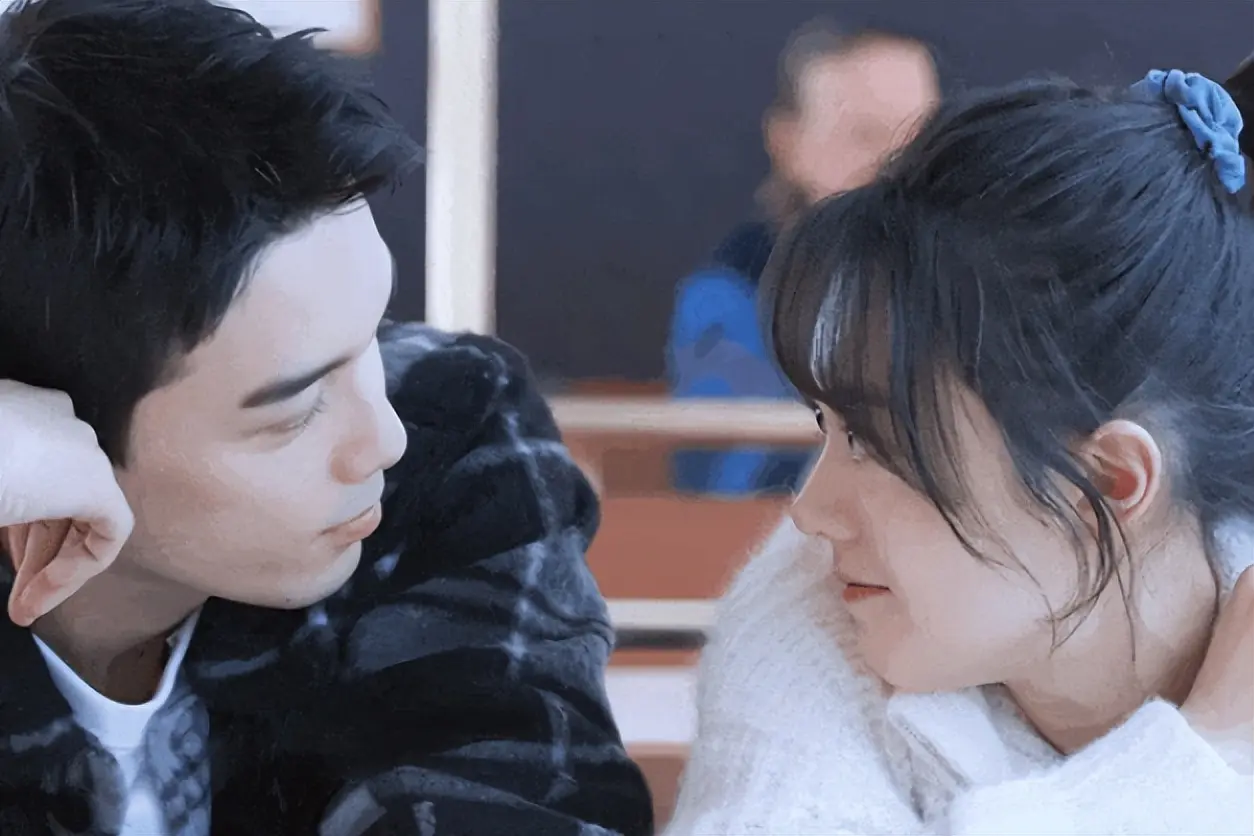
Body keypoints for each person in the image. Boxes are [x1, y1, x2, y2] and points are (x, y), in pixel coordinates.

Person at [0, 1, 653, 834]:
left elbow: (510, 797)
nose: (382, 439)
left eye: (369, 336)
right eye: (296, 409)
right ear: (56, 417)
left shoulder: (452, 430)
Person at [665, 68, 1254, 834]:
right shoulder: (812, 604)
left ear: (1107, 480)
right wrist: (1194, 762)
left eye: (875, 441)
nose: (810, 512)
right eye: (827, 426)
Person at [668, 21, 938, 495]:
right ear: (787, 142)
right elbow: (736, 480)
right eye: (866, 136)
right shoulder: (731, 294)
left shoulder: (971, 278)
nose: (901, 163)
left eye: (923, 136)